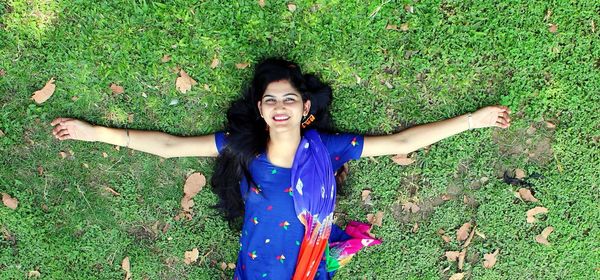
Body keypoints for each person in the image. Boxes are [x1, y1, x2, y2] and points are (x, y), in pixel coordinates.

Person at [50, 58, 511, 279]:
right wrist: (96, 133)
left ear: (304, 106)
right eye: (271, 100)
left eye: (289, 98)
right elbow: (170, 147)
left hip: (309, 269)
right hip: (256, 270)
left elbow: (401, 142)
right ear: (261, 110)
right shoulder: (244, 149)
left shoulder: (326, 149)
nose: (280, 106)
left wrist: (474, 121)